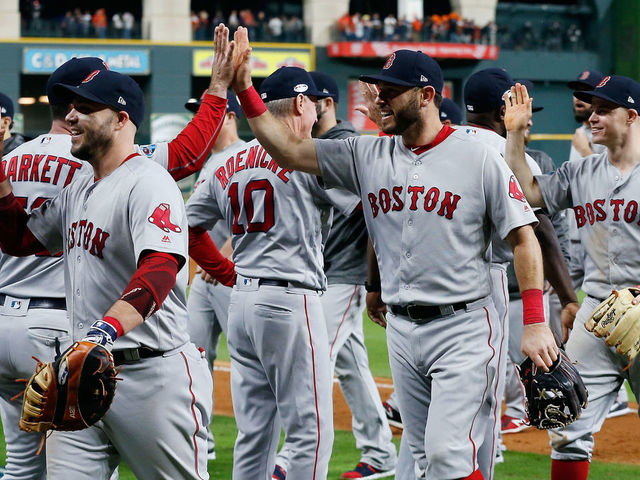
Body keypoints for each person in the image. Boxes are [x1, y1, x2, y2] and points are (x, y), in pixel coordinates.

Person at [229, 29, 558, 479]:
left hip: (465, 325)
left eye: (391, 92)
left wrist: (537, 320)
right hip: (402, 328)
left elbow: (525, 238)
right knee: (418, 457)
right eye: (379, 90)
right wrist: (246, 87)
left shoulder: (479, 156)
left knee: (447, 454)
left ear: (427, 95)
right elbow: (287, 148)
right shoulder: (367, 154)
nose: (379, 99)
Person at [0, 26, 232, 479]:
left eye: (85, 109)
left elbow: (162, 269)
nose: (71, 117)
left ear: (122, 119)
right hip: (78, 370)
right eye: (70, 108)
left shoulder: (149, 181)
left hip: (151, 373)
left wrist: (103, 332)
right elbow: (19, 239)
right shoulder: (78, 184)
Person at [186, 65, 359, 480]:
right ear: (300, 102)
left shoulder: (228, 161)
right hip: (290, 299)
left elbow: (186, 227)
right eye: (314, 104)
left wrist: (223, 271)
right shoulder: (306, 153)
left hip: (242, 302)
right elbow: (364, 204)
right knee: (311, 433)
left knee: (255, 434)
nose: (317, 114)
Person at [504, 76, 640, 480]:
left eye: (603, 110)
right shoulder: (581, 172)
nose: (592, 118)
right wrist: (514, 135)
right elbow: (525, 192)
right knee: (566, 423)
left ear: (631, 116)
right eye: (590, 109)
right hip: (596, 313)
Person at [270, 70, 397, 480]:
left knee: (308, 364)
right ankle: (380, 453)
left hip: (344, 273)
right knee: (352, 367)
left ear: (323, 104)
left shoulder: (344, 144)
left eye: (307, 102)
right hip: (328, 271)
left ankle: (290, 460)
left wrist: (375, 278)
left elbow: (376, 206)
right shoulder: (317, 146)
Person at [184, 88, 245, 462]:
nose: (200, 121)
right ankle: (199, 444)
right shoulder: (208, 160)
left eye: (211, 115)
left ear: (233, 117)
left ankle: (258, 451)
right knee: (192, 357)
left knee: (245, 363)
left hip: (231, 276)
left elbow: (259, 212)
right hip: (204, 279)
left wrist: (225, 253)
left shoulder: (244, 153)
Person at [568, 70, 607, 162]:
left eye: (586, 90)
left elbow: (612, 174)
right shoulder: (580, 132)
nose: (578, 97)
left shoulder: (609, 131)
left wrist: (585, 151)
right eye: (577, 90)